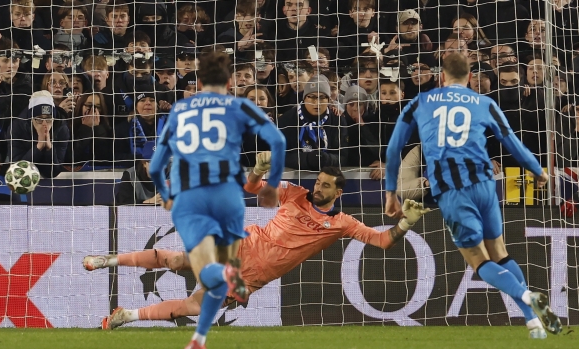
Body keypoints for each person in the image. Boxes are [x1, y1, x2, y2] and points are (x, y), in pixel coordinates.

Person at [83, 164, 430, 329]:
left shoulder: (343, 223)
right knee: (176, 260)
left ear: (338, 193)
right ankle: (107, 260)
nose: (318, 188)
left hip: (256, 273)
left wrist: (406, 223)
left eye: (325, 186)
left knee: (194, 306)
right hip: (243, 243)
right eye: (318, 182)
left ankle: (128, 316)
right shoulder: (294, 192)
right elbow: (253, 187)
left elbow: (383, 240)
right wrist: (259, 170)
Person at [384, 53, 562, 339]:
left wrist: (391, 192)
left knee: (479, 262)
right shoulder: (484, 102)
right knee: (501, 255)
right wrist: (537, 171)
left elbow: (393, 149)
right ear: (469, 78)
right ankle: (533, 321)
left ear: (441, 76)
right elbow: (513, 142)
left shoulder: (420, 102)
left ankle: (528, 296)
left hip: (453, 191)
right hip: (485, 186)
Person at [146, 51, 286, 349]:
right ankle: (199, 338)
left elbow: (156, 165)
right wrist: (272, 185)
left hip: (191, 196)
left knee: (207, 272)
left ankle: (225, 274)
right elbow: (278, 140)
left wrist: (167, 193)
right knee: (224, 273)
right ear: (231, 81)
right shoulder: (240, 105)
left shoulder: (181, 109)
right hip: (228, 196)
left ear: (197, 81)